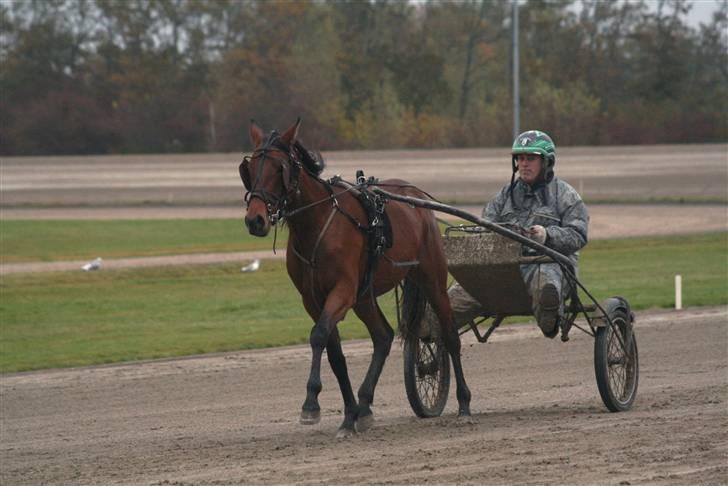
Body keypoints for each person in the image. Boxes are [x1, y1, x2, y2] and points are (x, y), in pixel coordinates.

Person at [431, 130, 589, 338]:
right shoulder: (504, 195)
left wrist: (547, 236)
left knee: (546, 285)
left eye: (531, 158)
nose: (524, 164)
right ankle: (431, 328)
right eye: (520, 158)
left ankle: (549, 315)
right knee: (450, 300)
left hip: (548, 264)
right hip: (501, 271)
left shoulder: (566, 195)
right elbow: (484, 227)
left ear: (547, 162)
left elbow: (578, 234)